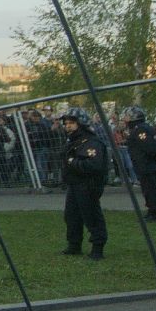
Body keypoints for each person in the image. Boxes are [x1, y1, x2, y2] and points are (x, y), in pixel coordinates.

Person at [57, 107, 108, 259]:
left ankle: (97, 247)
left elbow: (93, 165)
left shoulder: (92, 142)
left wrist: (73, 162)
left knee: (91, 216)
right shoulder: (73, 141)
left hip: (88, 185)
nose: (68, 126)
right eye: (66, 123)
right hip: (74, 184)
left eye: (72, 123)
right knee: (71, 216)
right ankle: (74, 245)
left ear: (81, 123)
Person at [121, 106, 156, 222]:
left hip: (146, 164)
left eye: (126, 117)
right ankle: (151, 211)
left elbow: (149, 146)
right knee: (149, 189)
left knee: (149, 189)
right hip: (148, 164)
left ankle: (154, 214)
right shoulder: (145, 127)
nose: (124, 119)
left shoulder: (139, 130)